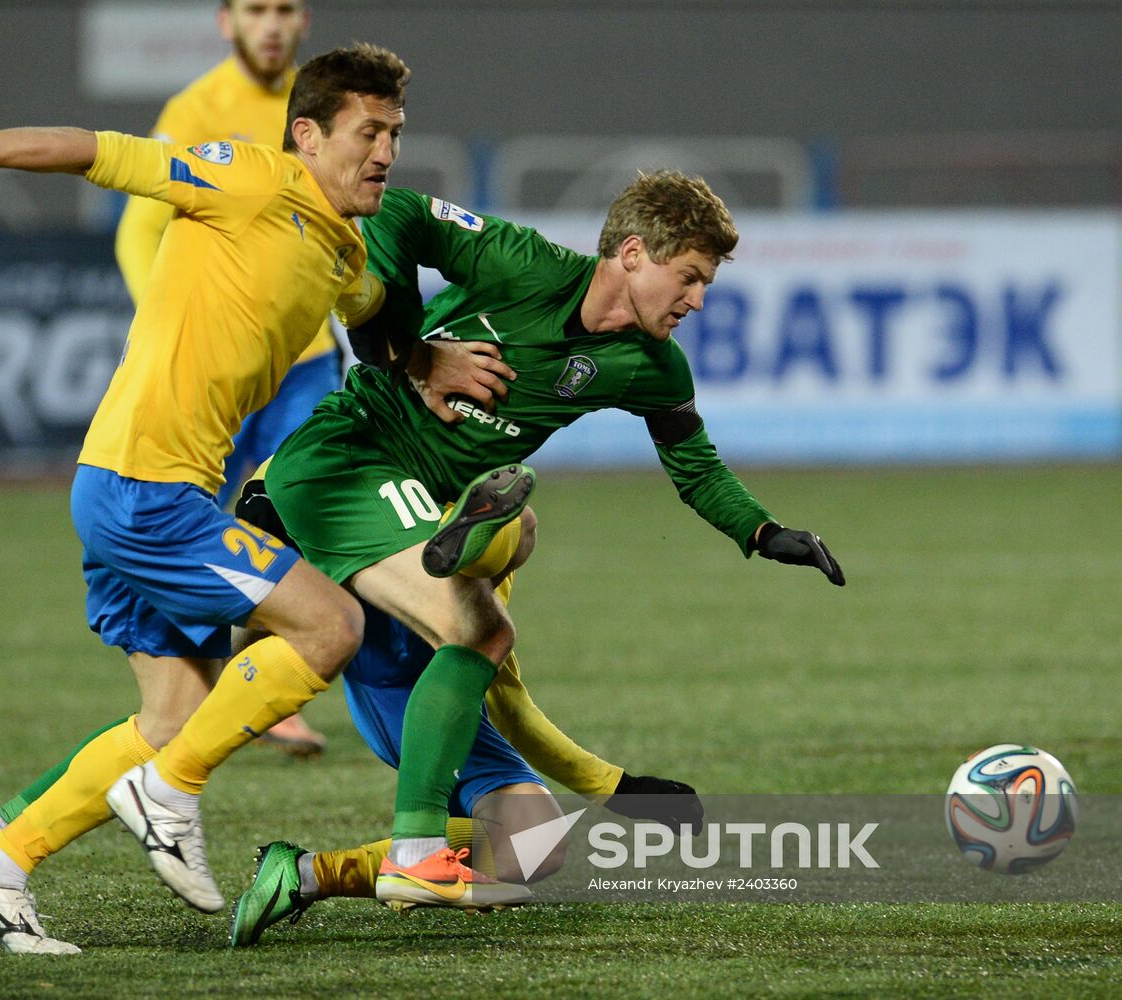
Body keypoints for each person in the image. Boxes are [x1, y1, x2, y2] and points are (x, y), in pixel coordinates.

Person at [0, 44, 448, 955]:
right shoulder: (241, 175)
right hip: (143, 487)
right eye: (369, 131)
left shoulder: (346, 250)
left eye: (395, 133)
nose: (387, 152)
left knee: (168, 717)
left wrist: (436, 361)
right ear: (308, 134)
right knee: (329, 626)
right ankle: (171, 793)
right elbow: (89, 148)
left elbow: (375, 322)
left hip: (143, 486)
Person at [255, 174, 847, 912]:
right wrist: (407, 348)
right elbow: (399, 210)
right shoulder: (518, 262)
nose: (697, 300)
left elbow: (694, 466)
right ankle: (412, 850)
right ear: (632, 254)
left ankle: (307, 873)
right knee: (483, 606)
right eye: (689, 277)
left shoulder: (651, 365)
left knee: (533, 846)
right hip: (356, 464)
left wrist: (760, 531)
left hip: (421, 529)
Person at [225, 477, 705, 945]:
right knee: (531, 839)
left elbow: (510, 703)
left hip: (438, 703)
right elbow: (312, 457)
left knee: (535, 844)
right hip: (398, 702)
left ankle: (312, 871)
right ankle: (327, 872)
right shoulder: (380, 514)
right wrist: (265, 496)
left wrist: (619, 789)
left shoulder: (481, 580)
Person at [118, 0, 329, 756]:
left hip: (304, 364)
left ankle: (264, 684)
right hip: (217, 368)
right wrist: (181, 331)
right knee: (194, 518)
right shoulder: (198, 108)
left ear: (303, 19)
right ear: (225, 21)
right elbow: (140, 227)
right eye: (255, 9)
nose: (270, 24)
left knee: (297, 510)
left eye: (284, 9)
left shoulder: (322, 103)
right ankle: (192, 690)